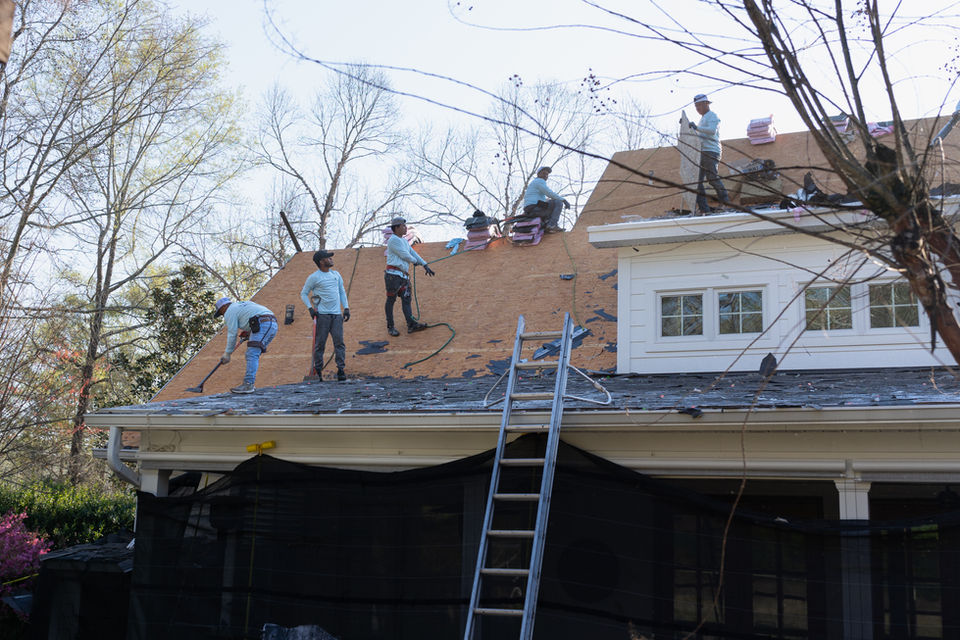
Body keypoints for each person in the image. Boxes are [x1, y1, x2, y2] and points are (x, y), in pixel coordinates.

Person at [301, 249, 350, 382]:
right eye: (328, 258)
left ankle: (341, 370)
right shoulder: (314, 277)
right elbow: (304, 293)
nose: (331, 259)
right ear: (321, 261)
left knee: (339, 343)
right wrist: (310, 309)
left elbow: (341, 292)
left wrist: (346, 308)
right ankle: (318, 372)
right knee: (320, 344)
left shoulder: (336, 275)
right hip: (322, 315)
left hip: (336, 315)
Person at [214, 297, 278, 394]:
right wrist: (249, 331)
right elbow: (253, 316)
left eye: (221, 312)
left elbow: (232, 333)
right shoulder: (242, 304)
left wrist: (227, 353)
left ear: (224, 307)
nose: (223, 315)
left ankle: (248, 384)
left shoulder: (230, 311)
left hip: (263, 324)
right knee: (253, 353)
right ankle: (249, 383)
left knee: (252, 353)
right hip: (271, 324)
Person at [384, 216, 435, 336]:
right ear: (396, 228)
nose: (406, 228)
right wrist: (415, 261)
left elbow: (412, 253)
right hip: (393, 276)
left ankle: (411, 324)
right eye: (403, 226)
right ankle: (390, 326)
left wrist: (424, 264)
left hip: (403, 276)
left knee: (406, 300)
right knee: (391, 300)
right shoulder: (393, 240)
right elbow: (405, 255)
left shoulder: (403, 241)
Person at [689, 93, 730, 215]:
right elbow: (700, 135)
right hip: (702, 152)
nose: (697, 108)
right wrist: (689, 128)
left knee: (712, 178)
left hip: (711, 151)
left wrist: (696, 128)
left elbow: (711, 131)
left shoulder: (712, 116)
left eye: (699, 105)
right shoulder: (702, 120)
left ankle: (726, 203)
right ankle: (704, 208)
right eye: (696, 106)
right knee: (697, 181)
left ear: (706, 104)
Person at [522, 166, 570, 232]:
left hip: (531, 208)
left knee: (550, 203)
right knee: (558, 202)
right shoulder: (539, 181)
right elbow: (549, 193)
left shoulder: (534, 183)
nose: (546, 175)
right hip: (534, 208)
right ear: (538, 174)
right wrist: (563, 200)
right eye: (544, 173)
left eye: (547, 174)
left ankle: (546, 225)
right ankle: (552, 225)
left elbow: (543, 199)